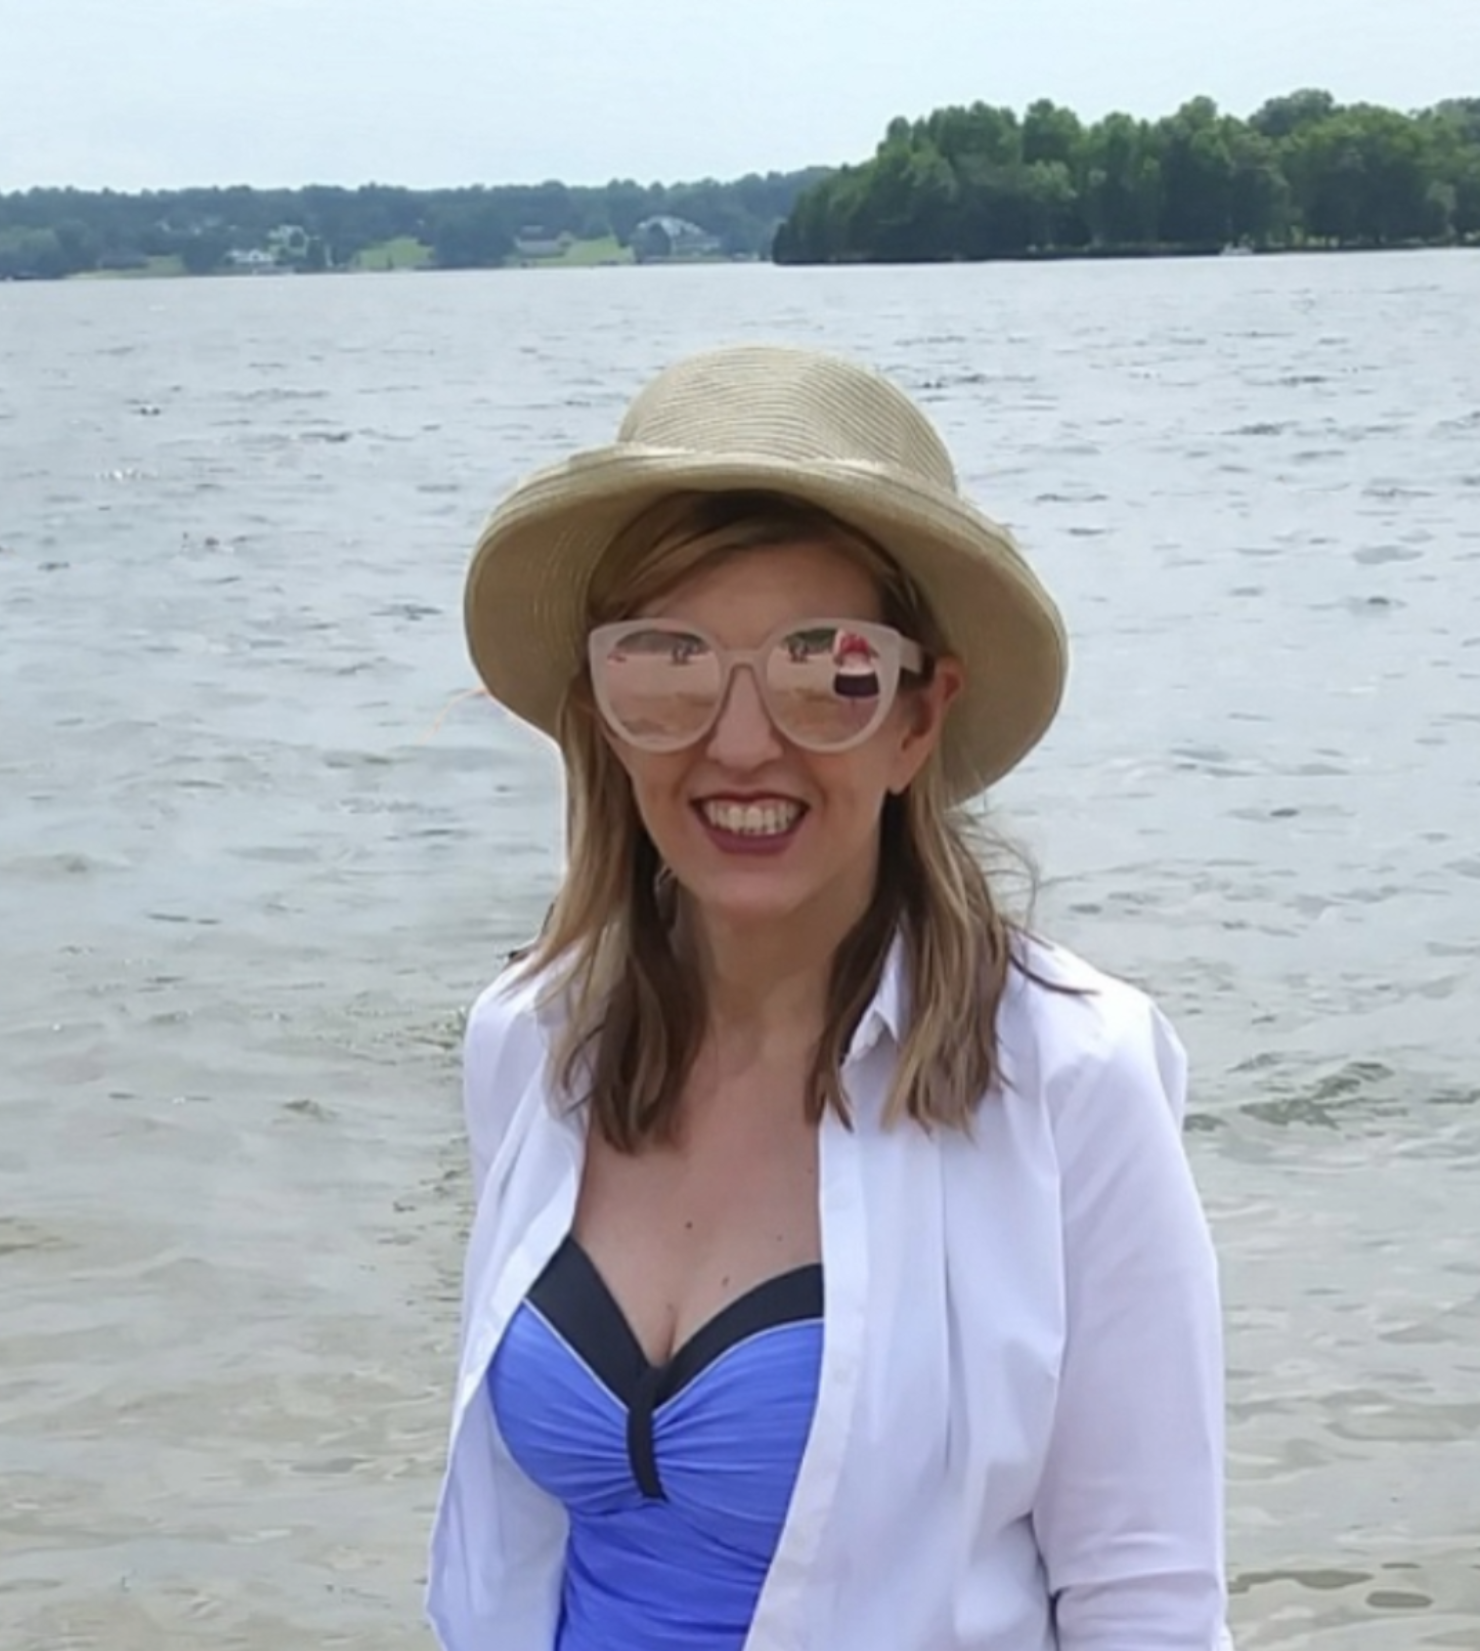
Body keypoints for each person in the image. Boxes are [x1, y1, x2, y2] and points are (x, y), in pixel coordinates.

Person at [425, 345, 1231, 1650]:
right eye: (670, 664)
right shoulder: (534, 1042)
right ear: (600, 708)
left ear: (920, 717)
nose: (742, 739)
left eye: (830, 668)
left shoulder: (1072, 1078)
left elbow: (1146, 1597)